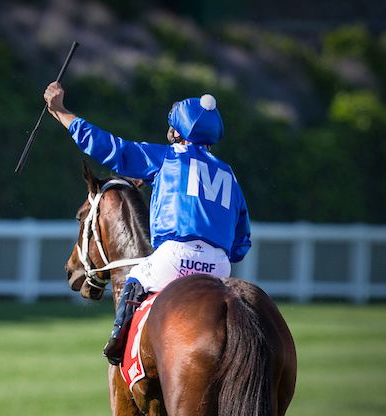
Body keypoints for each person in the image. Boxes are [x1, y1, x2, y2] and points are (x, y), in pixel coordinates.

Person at [44, 81, 252, 365]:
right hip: (220, 268)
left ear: (178, 131)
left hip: (175, 258)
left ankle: (118, 346)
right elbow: (241, 242)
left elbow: (111, 148)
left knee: (136, 277)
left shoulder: (167, 157)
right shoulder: (229, 173)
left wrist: (61, 112)